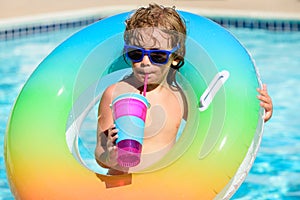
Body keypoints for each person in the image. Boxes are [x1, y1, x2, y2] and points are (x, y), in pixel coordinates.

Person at [95, 4, 273, 175]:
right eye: (136, 54)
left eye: (157, 55)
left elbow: (217, 124)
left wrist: (258, 112)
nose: (145, 62)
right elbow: (99, 152)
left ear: (174, 57)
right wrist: (110, 156)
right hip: (120, 186)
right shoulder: (114, 94)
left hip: (162, 187)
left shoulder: (180, 98)